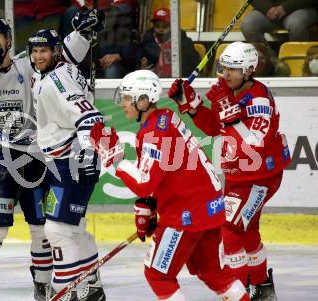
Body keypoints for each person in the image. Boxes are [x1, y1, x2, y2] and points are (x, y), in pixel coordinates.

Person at [0, 12, 100, 301]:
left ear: (8, 40)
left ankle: (43, 286)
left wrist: (81, 32)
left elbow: (59, 53)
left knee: (43, 231)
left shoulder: (25, 64)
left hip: (36, 159)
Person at [89, 70, 250, 301]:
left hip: (187, 214)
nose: (122, 103)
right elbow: (169, 172)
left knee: (157, 275)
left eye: (127, 98)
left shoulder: (155, 131)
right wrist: (151, 204)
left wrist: (114, 159)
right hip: (210, 207)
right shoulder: (165, 118)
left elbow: (144, 182)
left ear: (143, 100)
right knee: (214, 273)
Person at [168, 41, 292, 301]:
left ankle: (242, 290)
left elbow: (255, 142)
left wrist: (230, 113)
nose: (226, 74)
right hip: (239, 175)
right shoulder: (227, 90)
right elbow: (215, 128)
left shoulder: (259, 99)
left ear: (248, 70)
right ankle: (260, 288)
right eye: (224, 68)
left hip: (260, 177)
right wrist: (191, 105)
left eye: (233, 69)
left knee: (229, 227)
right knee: (247, 230)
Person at [28, 28, 106, 301]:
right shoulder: (54, 71)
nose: (38, 56)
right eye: (35, 51)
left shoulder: (57, 81)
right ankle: (91, 287)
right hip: (63, 159)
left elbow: (91, 118)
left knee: (58, 230)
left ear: (55, 52)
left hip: (71, 160)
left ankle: (67, 290)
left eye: (44, 51)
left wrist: (85, 152)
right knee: (74, 228)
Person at [139, 7, 200, 77]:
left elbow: (194, 64)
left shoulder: (183, 42)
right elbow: (137, 65)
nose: (161, 29)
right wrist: (142, 70)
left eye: (165, 26)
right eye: (157, 26)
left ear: (172, 26)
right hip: (153, 80)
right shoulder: (147, 43)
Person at [240, 0, 318, 43]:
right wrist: (267, 8)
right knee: (248, 25)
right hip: (271, 10)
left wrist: (285, 7)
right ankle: (269, 65)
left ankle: (298, 64)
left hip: (301, 8)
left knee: (296, 24)